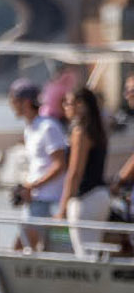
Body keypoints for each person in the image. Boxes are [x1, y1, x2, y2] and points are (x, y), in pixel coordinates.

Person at [7, 79, 69, 252]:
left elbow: (60, 165)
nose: (11, 105)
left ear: (25, 102)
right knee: (26, 247)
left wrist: (32, 185)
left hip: (50, 200)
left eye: (13, 100)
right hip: (36, 198)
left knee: (33, 248)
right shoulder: (30, 128)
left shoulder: (48, 127)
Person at [56, 84, 112, 260]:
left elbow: (75, 172)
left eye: (68, 102)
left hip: (85, 199)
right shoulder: (98, 130)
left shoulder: (80, 131)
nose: (65, 106)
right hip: (101, 196)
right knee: (94, 254)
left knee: (84, 256)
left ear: (80, 104)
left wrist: (62, 208)